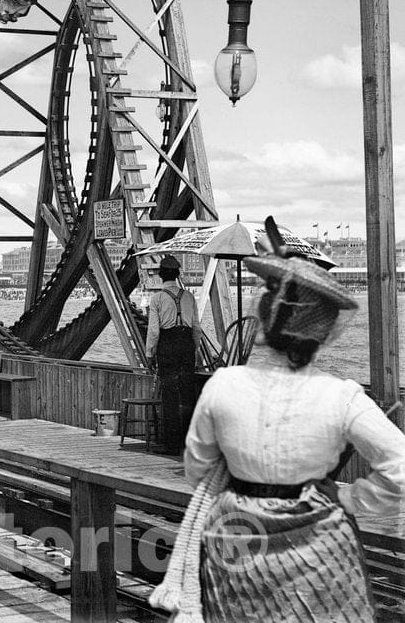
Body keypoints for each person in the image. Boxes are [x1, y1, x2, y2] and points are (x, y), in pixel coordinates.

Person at [153, 254, 405, 623]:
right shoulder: (342, 396)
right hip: (319, 543)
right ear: (324, 331)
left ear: (266, 317)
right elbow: (400, 466)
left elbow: (197, 469)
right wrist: (352, 497)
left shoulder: (223, 386)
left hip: (237, 539)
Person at [145, 254, 204, 454]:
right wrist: (195, 349)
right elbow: (196, 327)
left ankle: (171, 444)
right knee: (187, 394)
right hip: (186, 344)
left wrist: (150, 353)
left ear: (161, 275)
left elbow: (153, 330)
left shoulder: (158, 298)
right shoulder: (188, 297)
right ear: (178, 274)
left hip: (167, 345)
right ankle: (189, 443)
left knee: (169, 394)